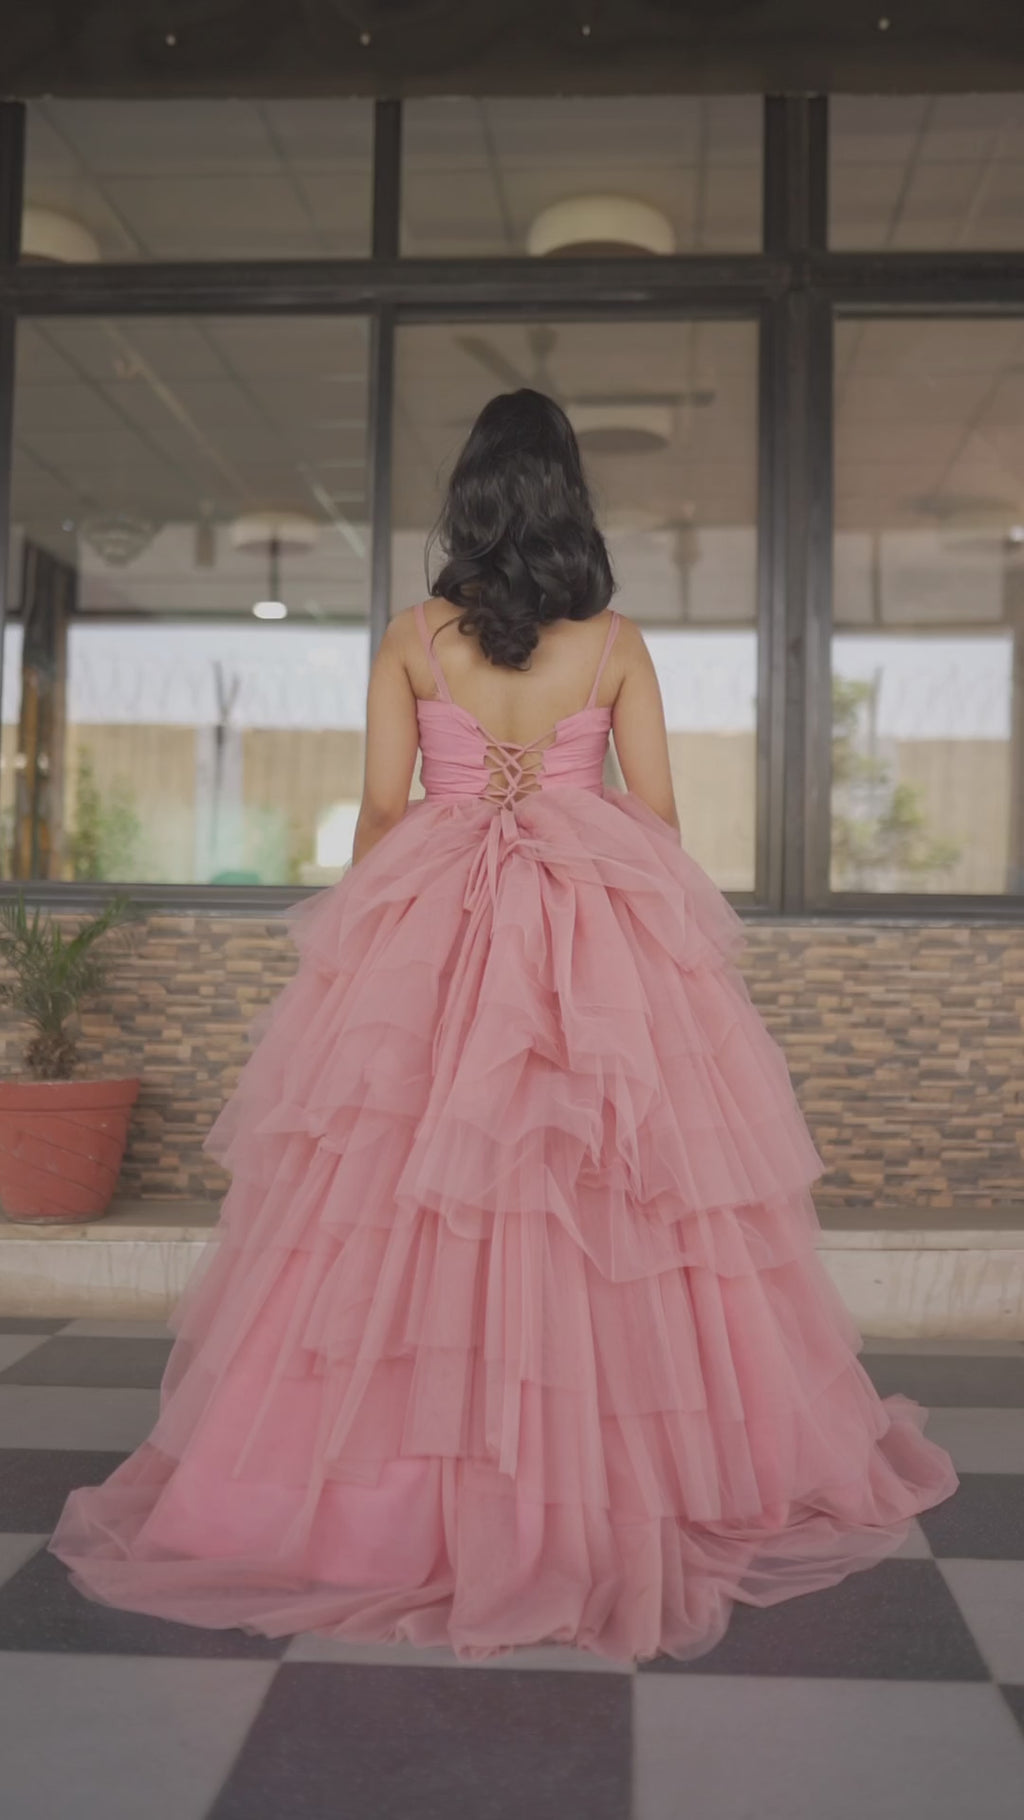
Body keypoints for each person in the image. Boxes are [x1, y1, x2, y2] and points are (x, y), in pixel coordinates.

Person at [48, 388, 958, 1664]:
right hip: (589, 936)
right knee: (608, 1201)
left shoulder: (415, 634)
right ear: (569, 504)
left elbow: (377, 809)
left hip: (436, 925)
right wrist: (584, 865)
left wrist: (385, 927)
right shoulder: (617, 642)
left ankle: (380, 1492)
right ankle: (611, 1471)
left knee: (400, 1196)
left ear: (470, 502)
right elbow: (659, 818)